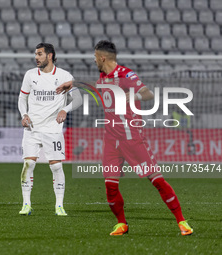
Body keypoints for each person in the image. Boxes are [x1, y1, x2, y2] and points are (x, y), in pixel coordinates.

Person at [56, 40, 193, 236]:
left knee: (156, 180)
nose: (94, 61)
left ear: (102, 57)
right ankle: (122, 224)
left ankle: (182, 221)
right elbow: (96, 86)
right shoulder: (103, 77)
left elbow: (148, 94)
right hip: (111, 141)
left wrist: (134, 97)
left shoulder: (126, 75)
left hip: (132, 139)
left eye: (95, 57)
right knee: (110, 187)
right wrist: (73, 83)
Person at [18, 43, 82, 216]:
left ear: (50, 56)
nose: (36, 57)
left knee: (55, 167)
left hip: (53, 129)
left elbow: (78, 99)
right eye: (35, 54)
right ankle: (26, 204)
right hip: (32, 128)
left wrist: (64, 109)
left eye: (39, 54)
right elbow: (22, 98)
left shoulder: (64, 76)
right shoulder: (30, 75)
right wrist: (24, 114)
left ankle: (59, 206)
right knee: (29, 163)